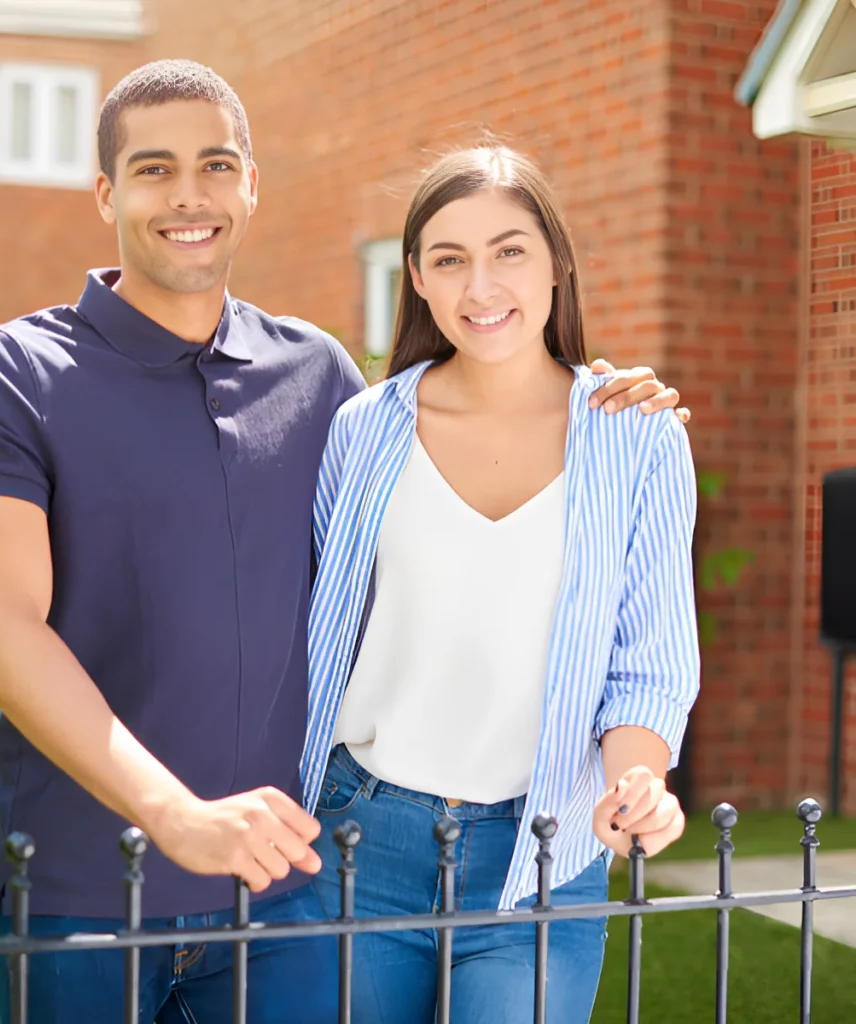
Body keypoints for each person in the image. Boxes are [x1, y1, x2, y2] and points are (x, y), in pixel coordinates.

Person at [0, 59, 688, 1023]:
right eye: (154, 169)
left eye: (215, 164)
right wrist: (177, 816)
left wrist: (610, 401)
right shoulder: (13, 372)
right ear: (105, 191)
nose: (189, 195)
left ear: (252, 184)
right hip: (86, 892)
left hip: (284, 888)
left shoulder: (317, 379)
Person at [301, 146, 701, 1024]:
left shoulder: (637, 439)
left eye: (509, 251)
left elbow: (651, 657)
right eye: (449, 259)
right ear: (417, 278)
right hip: (361, 839)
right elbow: (319, 634)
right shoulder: (364, 431)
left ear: (557, 262)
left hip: (544, 853)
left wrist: (636, 783)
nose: (481, 286)